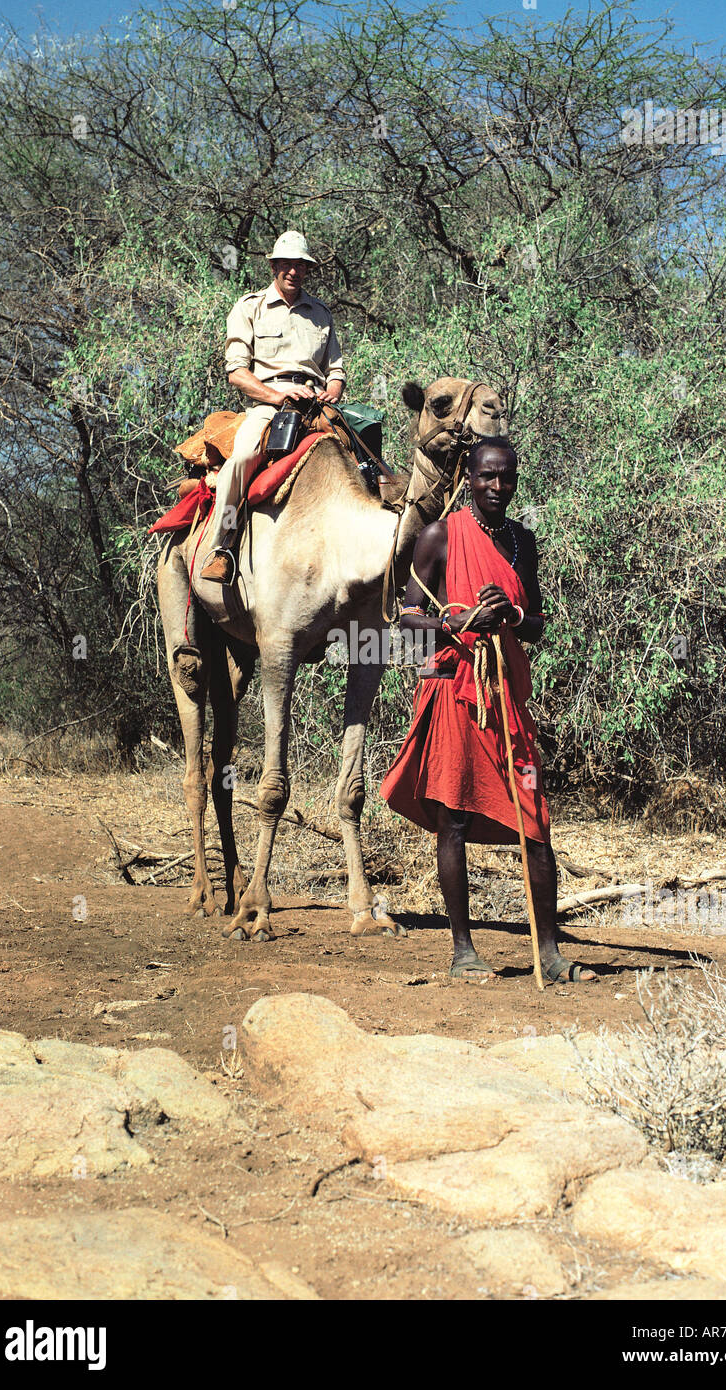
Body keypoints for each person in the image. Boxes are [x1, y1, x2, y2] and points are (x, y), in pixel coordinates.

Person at [380, 438, 597, 984]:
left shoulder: (523, 542)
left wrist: (513, 612)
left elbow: (538, 625)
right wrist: (454, 624)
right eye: (487, 477)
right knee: (452, 816)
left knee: (536, 819)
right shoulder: (441, 536)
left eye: (506, 478)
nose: (497, 488)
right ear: (469, 477)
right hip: (456, 688)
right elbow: (405, 615)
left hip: (504, 693)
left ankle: (548, 953)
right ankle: (462, 951)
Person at [200, 230, 346, 583]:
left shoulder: (321, 313)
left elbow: (336, 369)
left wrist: (334, 390)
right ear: (273, 266)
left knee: (366, 457)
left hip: (316, 402)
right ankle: (223, 545)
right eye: (286, 264)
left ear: (307, 269)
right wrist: (276, 396)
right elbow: (237, 372)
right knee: (242, 459)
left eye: (300, 265)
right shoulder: (250, 307)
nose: (293, 271)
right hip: (270, 404)